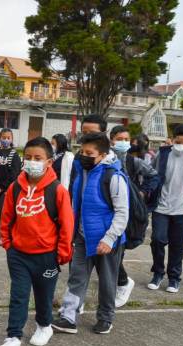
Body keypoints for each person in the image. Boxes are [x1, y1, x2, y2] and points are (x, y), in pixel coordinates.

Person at [0, 137, 74, 346]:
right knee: (19, 295)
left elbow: (66, 225)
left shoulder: (58, 191)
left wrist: (62, 253)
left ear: (49, 162)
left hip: (47, 255)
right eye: (28, 157)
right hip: (19, 254)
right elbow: (7, 218)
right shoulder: (15, 188)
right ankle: (13, 336)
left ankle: (44, 325)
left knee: (43, 294)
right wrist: (8, 244)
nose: (32, 162)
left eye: (38, 158)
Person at [52, 132, 129, 335]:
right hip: (82, 237)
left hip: (106, 241)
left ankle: (105, 318)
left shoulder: (113, 176)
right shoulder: (81, 171)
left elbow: (122, 212)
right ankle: (69, 317)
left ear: (103, 155)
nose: (84, 156)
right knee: (77, 277)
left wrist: (109, 239)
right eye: (82, 151)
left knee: (107, 281)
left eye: (90, 153)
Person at [146, 124, 183, 293]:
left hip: (182, 209)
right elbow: (153, 175)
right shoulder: (163, 154)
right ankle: (157, 273)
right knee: (157, 240)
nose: (181, 146)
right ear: (172, 140)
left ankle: (174, 278)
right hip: (161, 207)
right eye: (178, 142)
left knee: (177, 245)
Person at [109, 125, 159, 307]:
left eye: (126, 139)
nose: (123, 142)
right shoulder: (106, 158)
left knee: (116, 253)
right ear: (111, 139)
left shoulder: (133, 161)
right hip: (108, 211)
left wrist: (143, 192)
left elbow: (154, 176)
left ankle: (122, 282)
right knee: (109, 254)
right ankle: (118, 282)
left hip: (127, 213)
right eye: (119, 139)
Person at [0, 129, 22, 237]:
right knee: (1, 211)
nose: (6, 140)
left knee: (0, 210)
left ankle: (6, 235)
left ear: (11, 139)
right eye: (3, 137)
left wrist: (2, 188)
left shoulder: (14, 155)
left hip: (8, 189)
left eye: (8, 138)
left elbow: (14, 174)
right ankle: (4, 235)